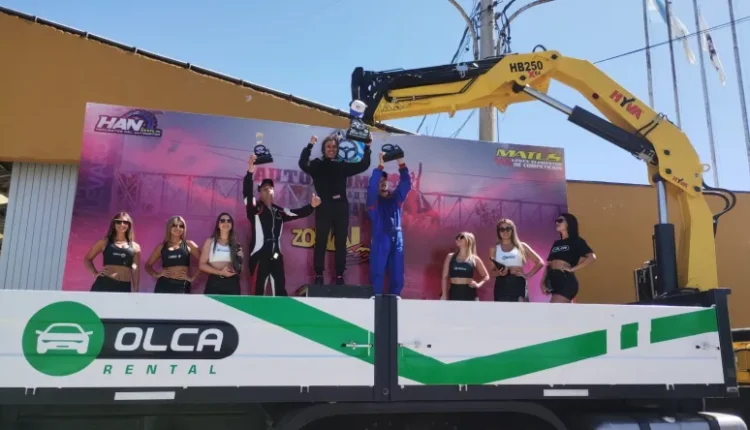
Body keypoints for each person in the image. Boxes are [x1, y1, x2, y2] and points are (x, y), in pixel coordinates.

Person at [298, 134, 371, 285]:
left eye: (334, 147)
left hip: (341, 206)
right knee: (321, 241)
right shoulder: (317, 165)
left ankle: (339, 275)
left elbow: (363, 165)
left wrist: (368, 147)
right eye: (328, 146)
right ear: (324, 149)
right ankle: (319, 275)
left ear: (337, 149)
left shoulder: (342, 165)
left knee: (341, 242)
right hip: (323, 206)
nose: (331, 149)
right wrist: (310, 145)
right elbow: (303, 163)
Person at [245, 154, 321, 296]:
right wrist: (250, 172)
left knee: (280, 293)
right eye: (264, 188)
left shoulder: (279, 211)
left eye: (270, 188)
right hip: (259, 256)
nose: (268, 190)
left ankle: (279, 311)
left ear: (274, 192)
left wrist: (312, 206)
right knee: (257, 292)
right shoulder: (255, 209)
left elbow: (296, 213)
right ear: (259, 193)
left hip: (276, 257)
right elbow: (247, 194)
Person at [367, 152, 411, 295]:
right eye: (380, 181)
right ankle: (376, 298)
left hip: (397, 237)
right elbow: (372, 187)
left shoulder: (396, 198)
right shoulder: (373, 202)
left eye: (384, 180)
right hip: (381, 237)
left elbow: (406, 184)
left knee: (397, 273)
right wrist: (380, 166)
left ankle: (395, 298)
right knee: (377, 271)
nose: (383, 182)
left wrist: (400, 162)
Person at [540, 212, 596, 303]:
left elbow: (591, 257)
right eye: (556, 221)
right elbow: (549, 264)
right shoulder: (556, 243)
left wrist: (572, 269)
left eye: (560, 220)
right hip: (554, 280)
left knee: (554, 308)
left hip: (566, 280)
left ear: (569, 223)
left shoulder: (576, 240)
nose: (557, 223)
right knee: (559, 310)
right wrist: (542, 283)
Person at [84, 212, 141, 293]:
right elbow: (87, 259)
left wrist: (136, 291)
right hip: (104, 284)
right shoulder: (104, 242)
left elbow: (135, 270)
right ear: (114, 224)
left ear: (129, 225)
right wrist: (95, 273)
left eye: (125, 222)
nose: (122, 224)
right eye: (118, 222)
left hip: (124, 286)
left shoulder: (135, 247)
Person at [489, 218, 544, 302]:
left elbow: (540, 262)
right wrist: (501, 272)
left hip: (518, 284)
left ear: (512, 230)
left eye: (508, 228)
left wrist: (527, 276)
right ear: (498, 232)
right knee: (502, 310)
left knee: (520, 309)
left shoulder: (521, 246)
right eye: (502, 229)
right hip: (501, 286)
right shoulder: (494, 249)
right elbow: (492, 272)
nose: (505, 231)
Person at [145, 216, 201, 294]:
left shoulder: (190, 245)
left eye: (181, 226)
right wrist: (157, 274)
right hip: (163, 285)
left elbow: (203, 264)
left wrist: (193, 278)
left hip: (182, 285)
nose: (178, 228)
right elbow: (147, 265)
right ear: (169, 227)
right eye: (174, 225)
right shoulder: (161, 247)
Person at [199, 212, 244, 295]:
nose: (226, 223)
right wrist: (220, 272)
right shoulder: (210, 242)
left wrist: (240, 259)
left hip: (232, 283)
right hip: (214, 281)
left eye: (229, 221)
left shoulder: (236, 245)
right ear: (218, 225)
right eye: (222, 221)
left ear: (231, 225)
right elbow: (202, 265)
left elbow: (240, 270)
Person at [440, 232, 490, 301]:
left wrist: (478, 284)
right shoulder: (450, 256)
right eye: (457, 237)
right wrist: (444, 294)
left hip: (470, 293)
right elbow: (444, 277)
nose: (458, 238)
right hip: (454, 292)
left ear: (469, 240)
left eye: (462, 237)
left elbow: (486, 276)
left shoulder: (474, 258)